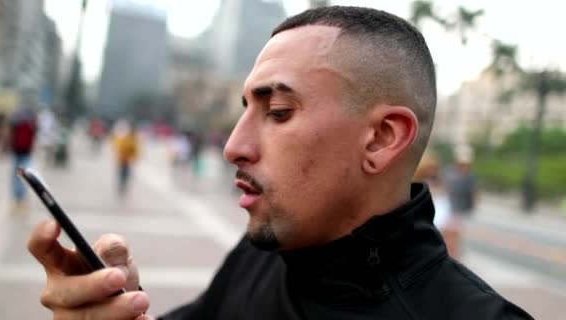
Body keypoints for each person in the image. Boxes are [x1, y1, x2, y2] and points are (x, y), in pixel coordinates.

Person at [27, 6, 532, 320]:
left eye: (279, 112)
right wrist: (118, 308)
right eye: (245, 109)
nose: (232, 146)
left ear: (380, 138)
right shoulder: (267, 251)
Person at [445, 144, 477, 258]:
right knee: (449, 232)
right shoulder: (450, 173)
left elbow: (473, 192)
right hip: (449, 207)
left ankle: (453, 254)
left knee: (455, 232)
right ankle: (450, 253)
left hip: (460, 208)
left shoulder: (470, 176)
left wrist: (473, 204)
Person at [9, 105, 37, 212]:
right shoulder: (30, 123)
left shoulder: (17, 122)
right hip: (24, 152)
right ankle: (20, 199)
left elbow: (12, 135)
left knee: (17, 176)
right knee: (23, 176)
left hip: (20, 152)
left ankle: (19, 199)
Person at [111, 120, 140, 197]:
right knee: (123, 173)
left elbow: (136, 148)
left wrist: (135, 156)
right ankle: (121, 186)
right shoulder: (126, 136)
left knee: (126, 173)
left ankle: (123, 186)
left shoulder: (133, 137)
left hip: (127, 159)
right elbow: (118, 145)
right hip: (122, 158)